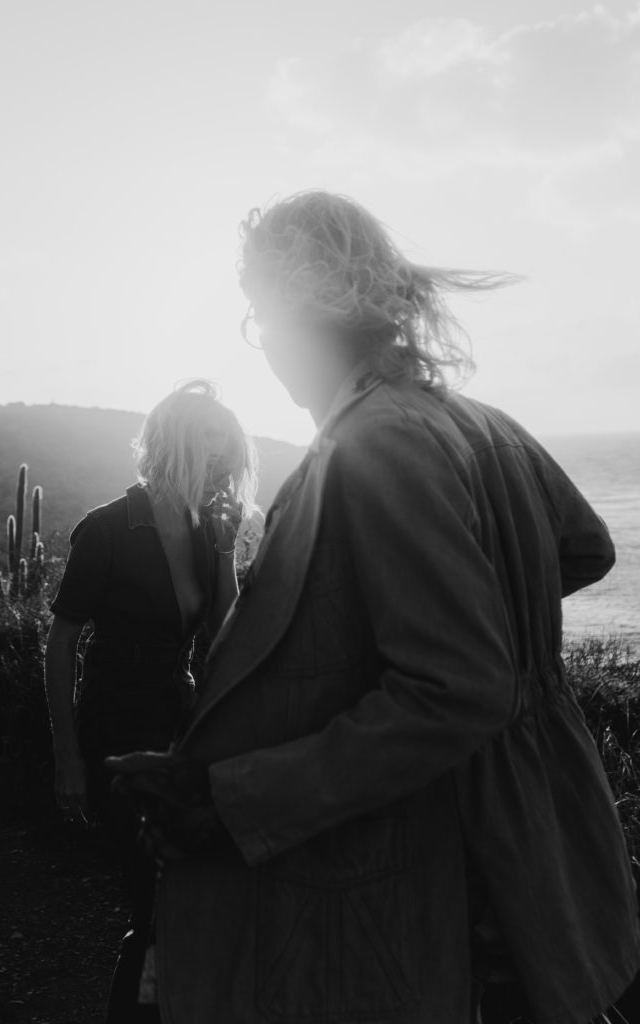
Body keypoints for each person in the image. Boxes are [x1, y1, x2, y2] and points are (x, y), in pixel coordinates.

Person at [109, 192, 640, 1024]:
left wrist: (232, 799)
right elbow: (585, 549)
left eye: (261, 316)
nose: (265, 345)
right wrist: (471, 607)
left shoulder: (372, 444)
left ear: (305, 311)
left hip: (446, 868)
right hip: (542, 838)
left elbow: (457, 687)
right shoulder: (481, 422)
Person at [44, 378, 257, 1023]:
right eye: (209, 447)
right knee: (156, 900)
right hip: (114, 727)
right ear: (174, 446)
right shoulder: (108, 529)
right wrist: (67, 758)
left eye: (228, 451)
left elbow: (224, 637)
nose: (221, 463)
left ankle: (153, 1010)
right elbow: (60, 644)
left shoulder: (206, 531)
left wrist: (225, 552)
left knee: (181, 899)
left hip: (179, 722)